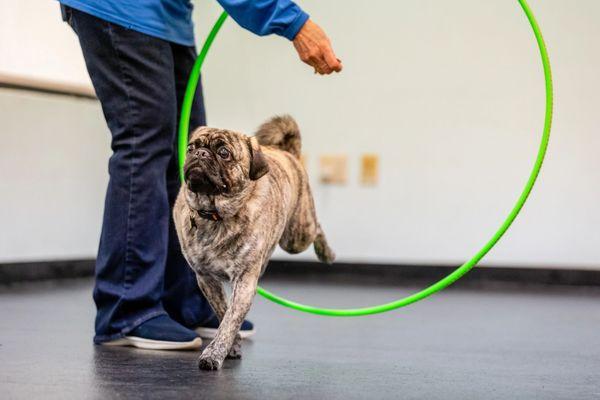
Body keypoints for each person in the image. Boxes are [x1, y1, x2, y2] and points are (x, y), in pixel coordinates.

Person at [59, 0, 342, 350]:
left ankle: (187, 302)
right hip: (124, 10)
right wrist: (294, 23)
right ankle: (126, 309)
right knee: (143, 148)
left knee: (183, 155)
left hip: (167, 18)